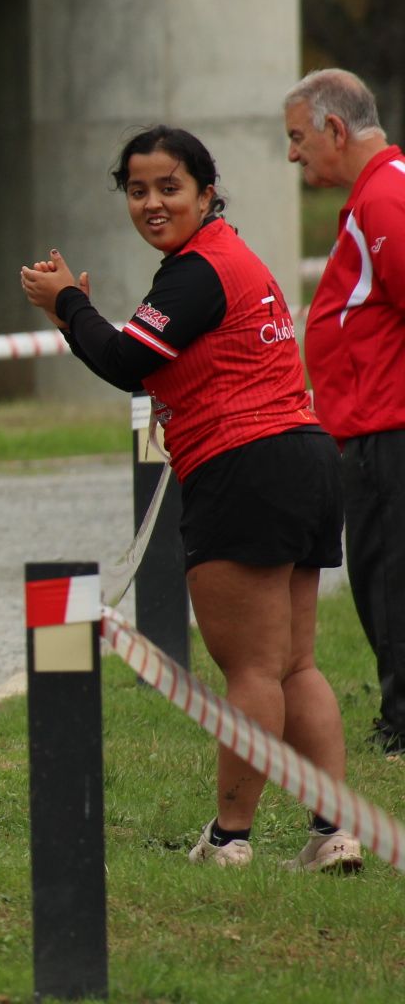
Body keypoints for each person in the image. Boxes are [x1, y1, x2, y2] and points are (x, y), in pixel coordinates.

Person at [20, 124, 360, 873]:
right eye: (137, 190)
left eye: (169, 187)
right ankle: (335, 833)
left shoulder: (197, 271)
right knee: (296, 665)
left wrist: (67, 302)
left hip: (246, 466)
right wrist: (75, 307)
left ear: (208, 194)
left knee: (250, 670)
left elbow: (125, 363)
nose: (151, 203)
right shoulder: (226, 259)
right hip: (305, 457)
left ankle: (231, 840)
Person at [286, 68, 405, 758]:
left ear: (336, 129)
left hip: (385, 427)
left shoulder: (385, 197)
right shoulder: (377, 195)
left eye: (298, 137)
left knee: (387, 575)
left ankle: (401, 723)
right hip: (372, 423)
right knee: (380, 573)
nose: (293, 153)